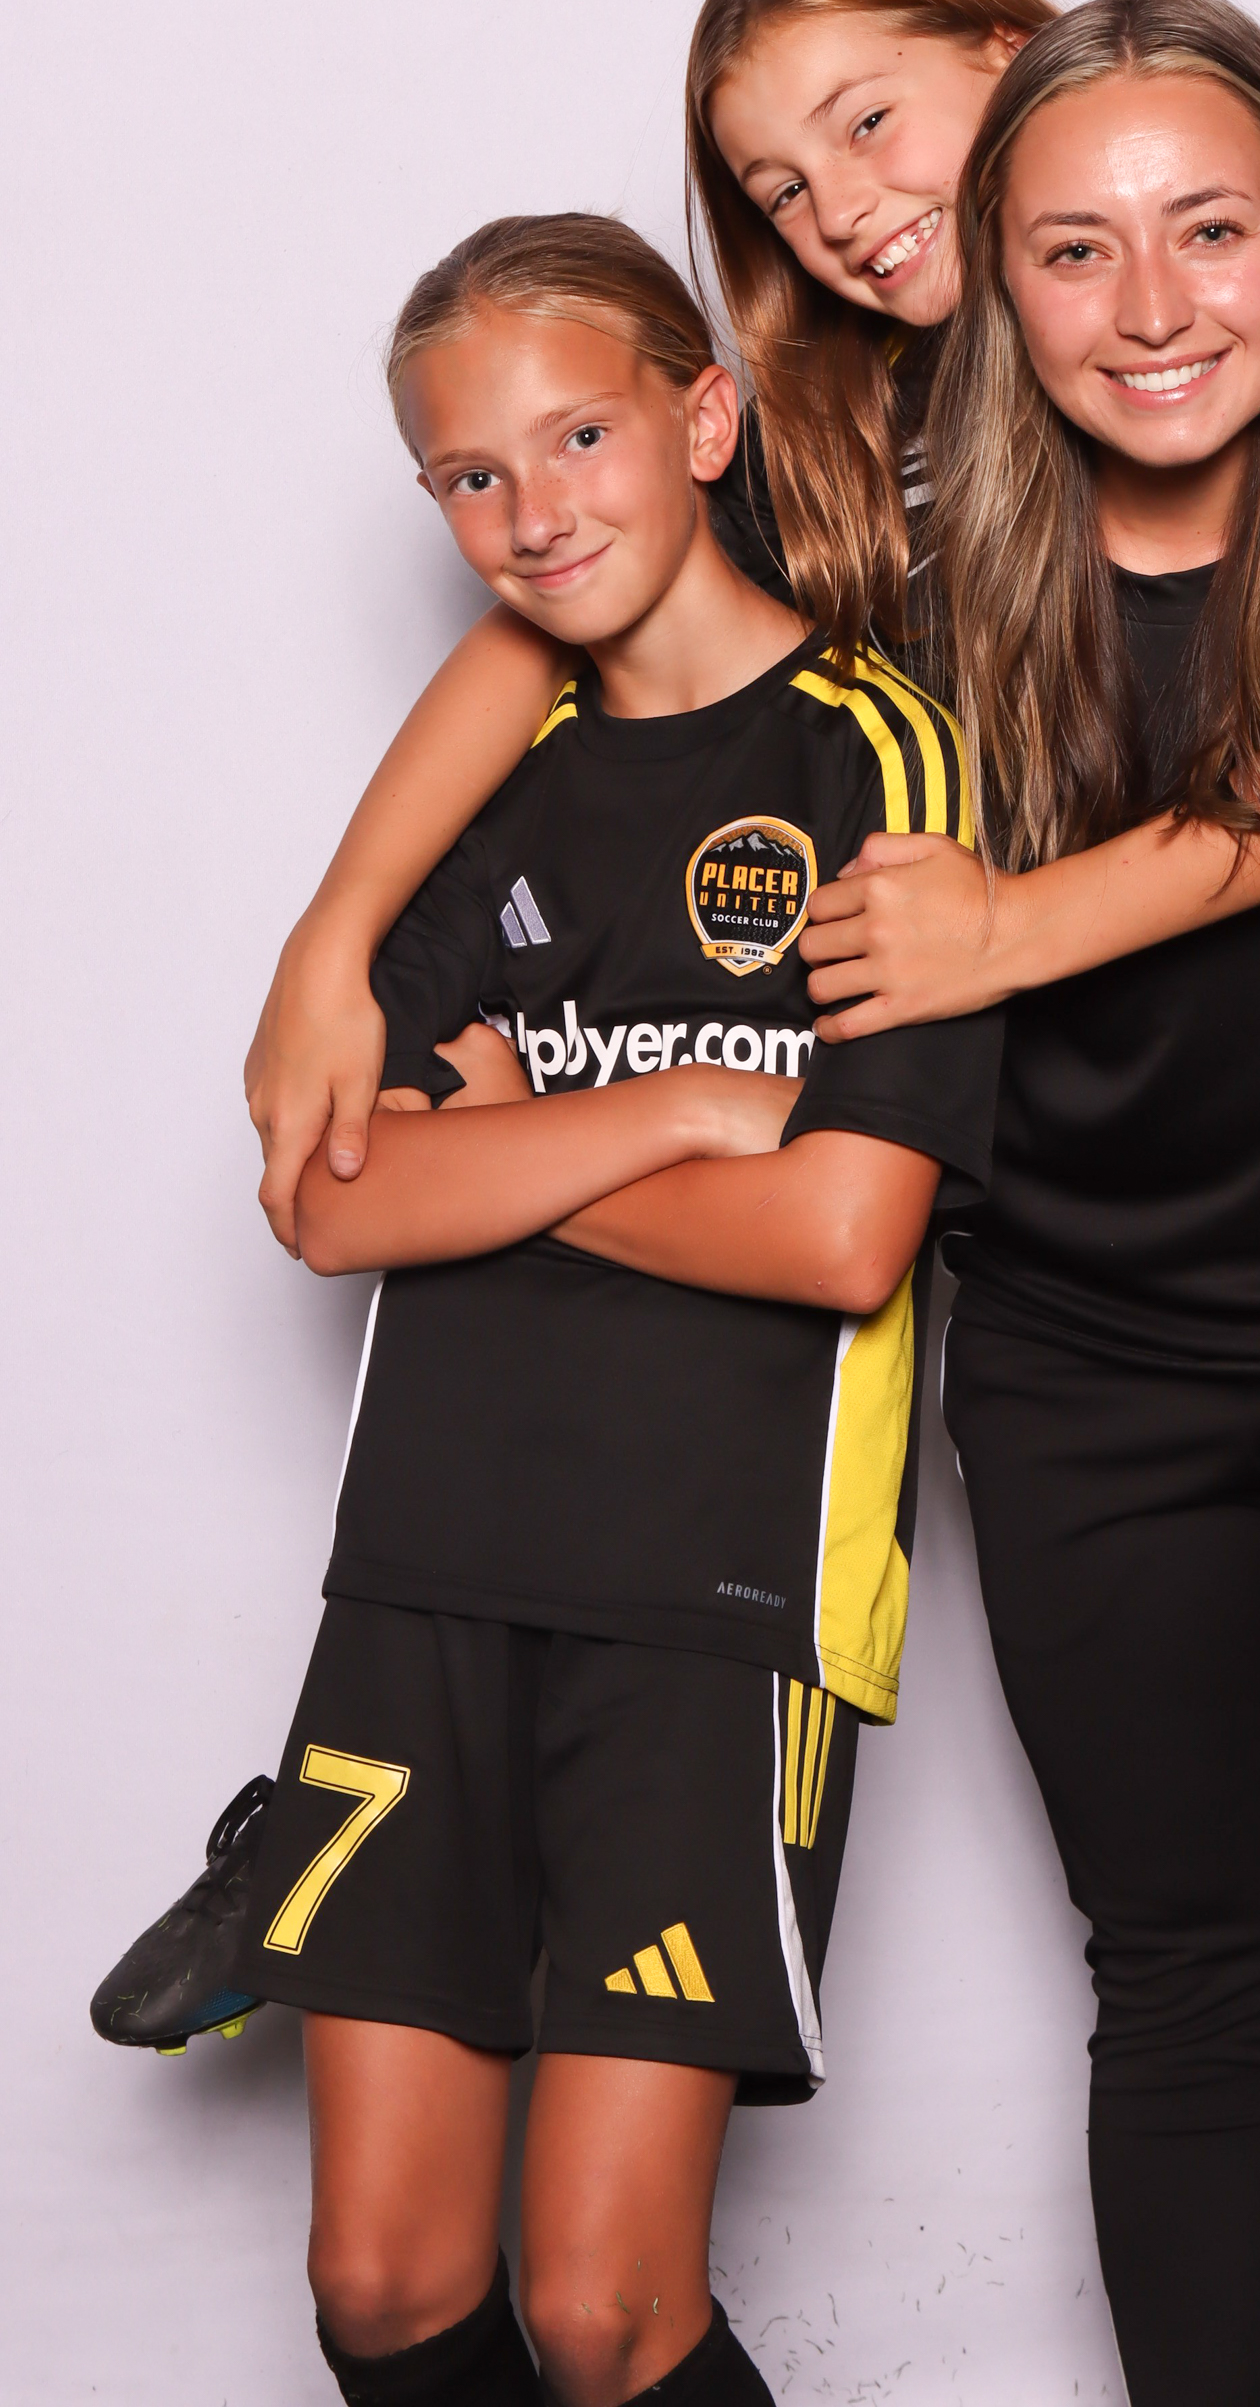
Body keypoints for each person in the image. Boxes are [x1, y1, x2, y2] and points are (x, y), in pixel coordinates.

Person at [108, 0, 1260, 2400]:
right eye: (776, 188)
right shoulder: (887, 498)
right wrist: (333, 934)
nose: (838, 210)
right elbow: (587, 597)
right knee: (1188, 1992)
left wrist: (1014, 930)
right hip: (1078, 1348)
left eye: (871, 127)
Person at [229, 213, 1001, 2406]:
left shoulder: (880, 752)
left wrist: (508, 1150)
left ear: (705, 418)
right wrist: (666, 1111)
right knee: (384, 2284)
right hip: (426, 1572)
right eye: (469, 473)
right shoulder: (486, 779)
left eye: (578, 435)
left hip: (715, 1599)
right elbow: (333, 1199)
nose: (532, 508)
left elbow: (845, 1233)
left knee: (602, 2307)